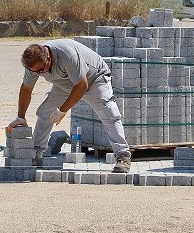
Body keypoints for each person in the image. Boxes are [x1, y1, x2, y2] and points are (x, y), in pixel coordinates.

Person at [7, 40, 132, 173]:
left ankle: (123, 155)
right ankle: (36, 151)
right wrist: (21, 116)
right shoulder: (33, 65)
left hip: (94, 78)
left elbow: (82, 85)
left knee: (108, 112)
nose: (38, 74)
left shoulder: (67, 55)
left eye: (40, 70)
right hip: (64, 83)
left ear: (48, 58)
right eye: (35, 72)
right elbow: (26, 88)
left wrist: (62, 110)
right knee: (45, 112)